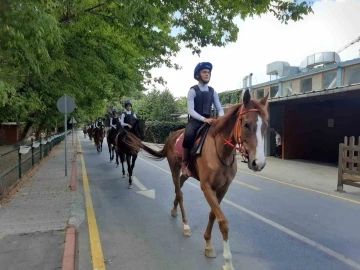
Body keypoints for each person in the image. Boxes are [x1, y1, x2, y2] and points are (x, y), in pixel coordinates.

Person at [181, 62, 224, 177]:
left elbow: (220, 108)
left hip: (210, 121)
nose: (207, 74)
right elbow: (190, 110)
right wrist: (203, 119)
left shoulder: (213, 92)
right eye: (204, 72)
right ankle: (184, 163)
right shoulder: (192, 91)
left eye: (209, 72)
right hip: (196, 120)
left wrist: (220, 118)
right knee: (189, 135)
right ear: (198, 75)